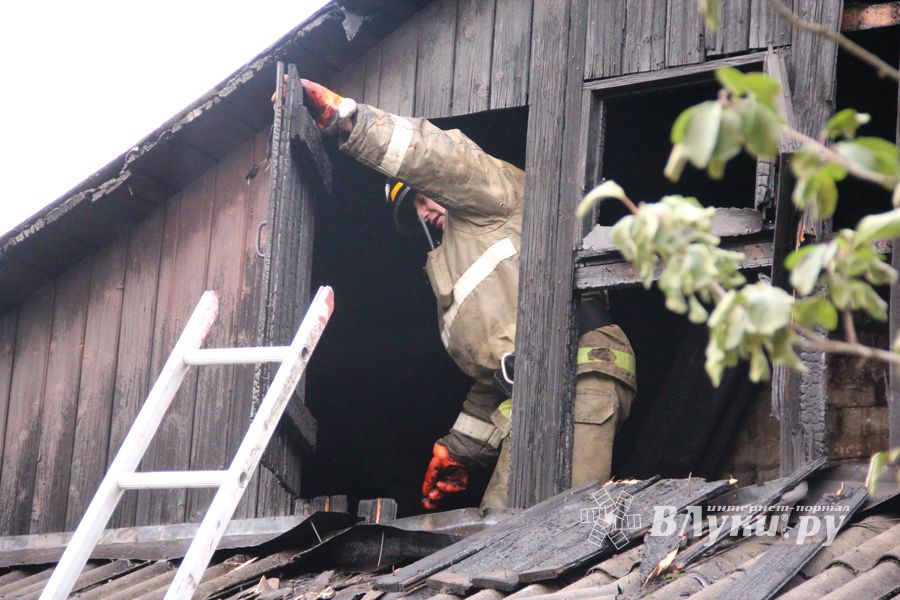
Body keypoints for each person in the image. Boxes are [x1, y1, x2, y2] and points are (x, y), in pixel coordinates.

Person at [292, 79, 637, 509]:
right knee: (499, 524)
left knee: (542, 531)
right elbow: (494, 377)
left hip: (581, 368)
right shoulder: (452, 273)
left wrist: (349, 120)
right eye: (414, 210)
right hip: (538, 388)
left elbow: (439, 158)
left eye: (422, 197)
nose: (425, 211)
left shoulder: (491, 199)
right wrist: (456, 451)